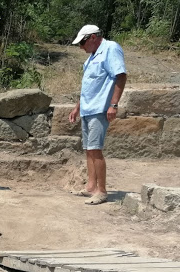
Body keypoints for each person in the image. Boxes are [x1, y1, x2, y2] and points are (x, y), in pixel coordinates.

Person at [68, 24, 127, 205]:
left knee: (95, 150)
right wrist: (77, 107)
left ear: (93, 37)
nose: (81, 47)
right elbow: (88, 86)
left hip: (99, 109)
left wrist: (113, 105)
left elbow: (121, 76)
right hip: (87, 109)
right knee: (88, 149)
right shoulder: (92, 57)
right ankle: (91, 187)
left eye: (83, 42)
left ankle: (102, 191)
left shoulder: (110, 49)